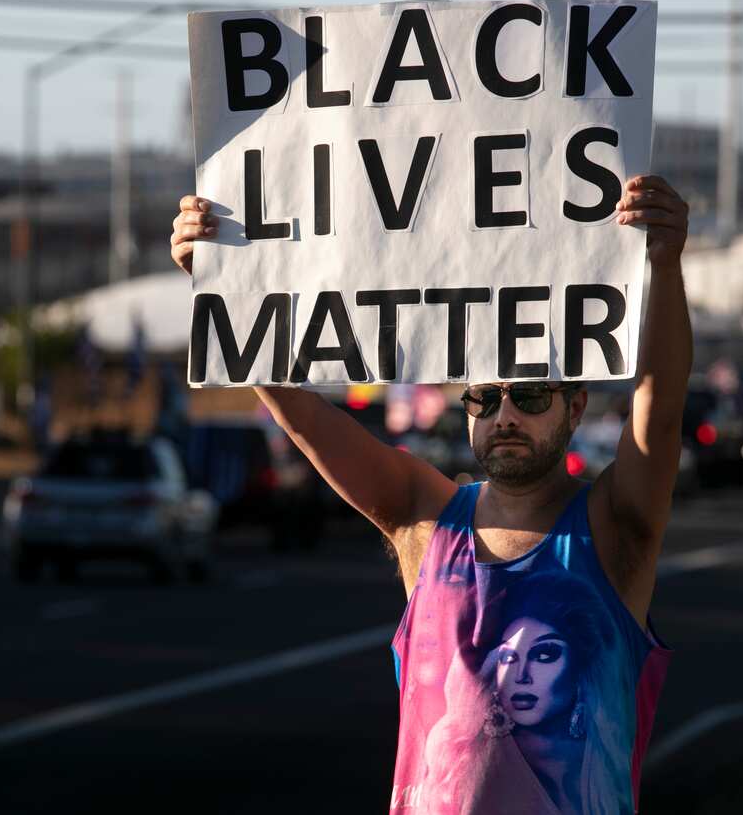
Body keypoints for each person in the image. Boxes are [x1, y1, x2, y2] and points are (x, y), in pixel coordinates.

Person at [170, 173, 690, 814]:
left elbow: (659, 408)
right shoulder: (426, 518)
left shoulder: (614, 529)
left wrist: (664, 267)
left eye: (529, 396)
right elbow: (308, 421)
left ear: (575, 407)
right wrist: (219, 279)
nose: (505, 416)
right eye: (484, 397)